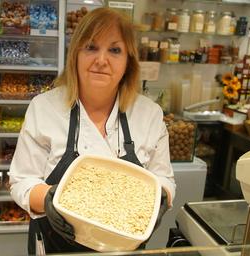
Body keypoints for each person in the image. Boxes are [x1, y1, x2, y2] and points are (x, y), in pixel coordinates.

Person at [9, 7, 176, 254]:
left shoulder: (149, 114)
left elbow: (163, 178)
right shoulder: (44, 108)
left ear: (129, 60)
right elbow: (22, 181)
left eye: (115, 50)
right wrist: (49, 200)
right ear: (75, 53)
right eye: (91, 47)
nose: (101, 60)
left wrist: (160, 198)